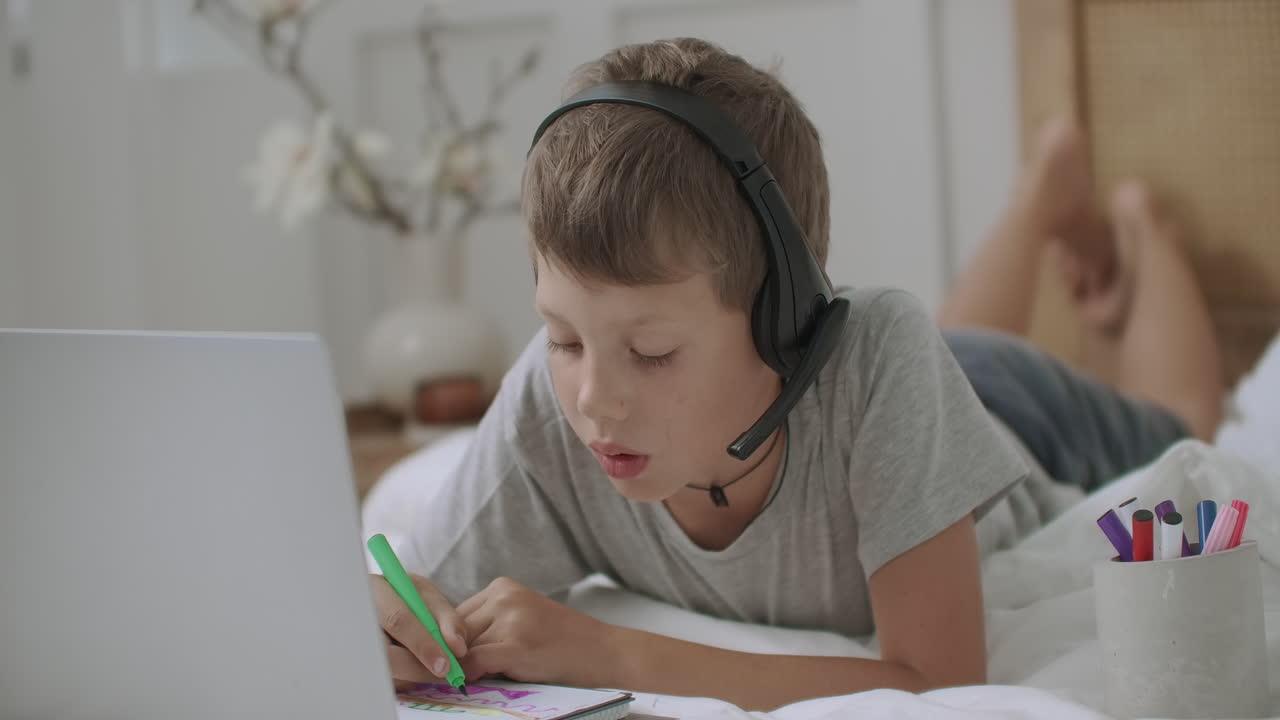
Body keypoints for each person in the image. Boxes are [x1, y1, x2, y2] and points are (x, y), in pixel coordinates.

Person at [368, 38, 1224, 711]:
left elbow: (940, 681)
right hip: (912, 391)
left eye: (653, 352)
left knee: (1185, 422)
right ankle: (1044, 196)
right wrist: (384, 623)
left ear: (785, 321)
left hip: (1020, 414)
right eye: (562, 338)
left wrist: (607, 652)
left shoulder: (882, 354)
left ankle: (1133, 219)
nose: (593, 399)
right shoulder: (554, 404)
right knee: (950, 337)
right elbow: (420, 611)